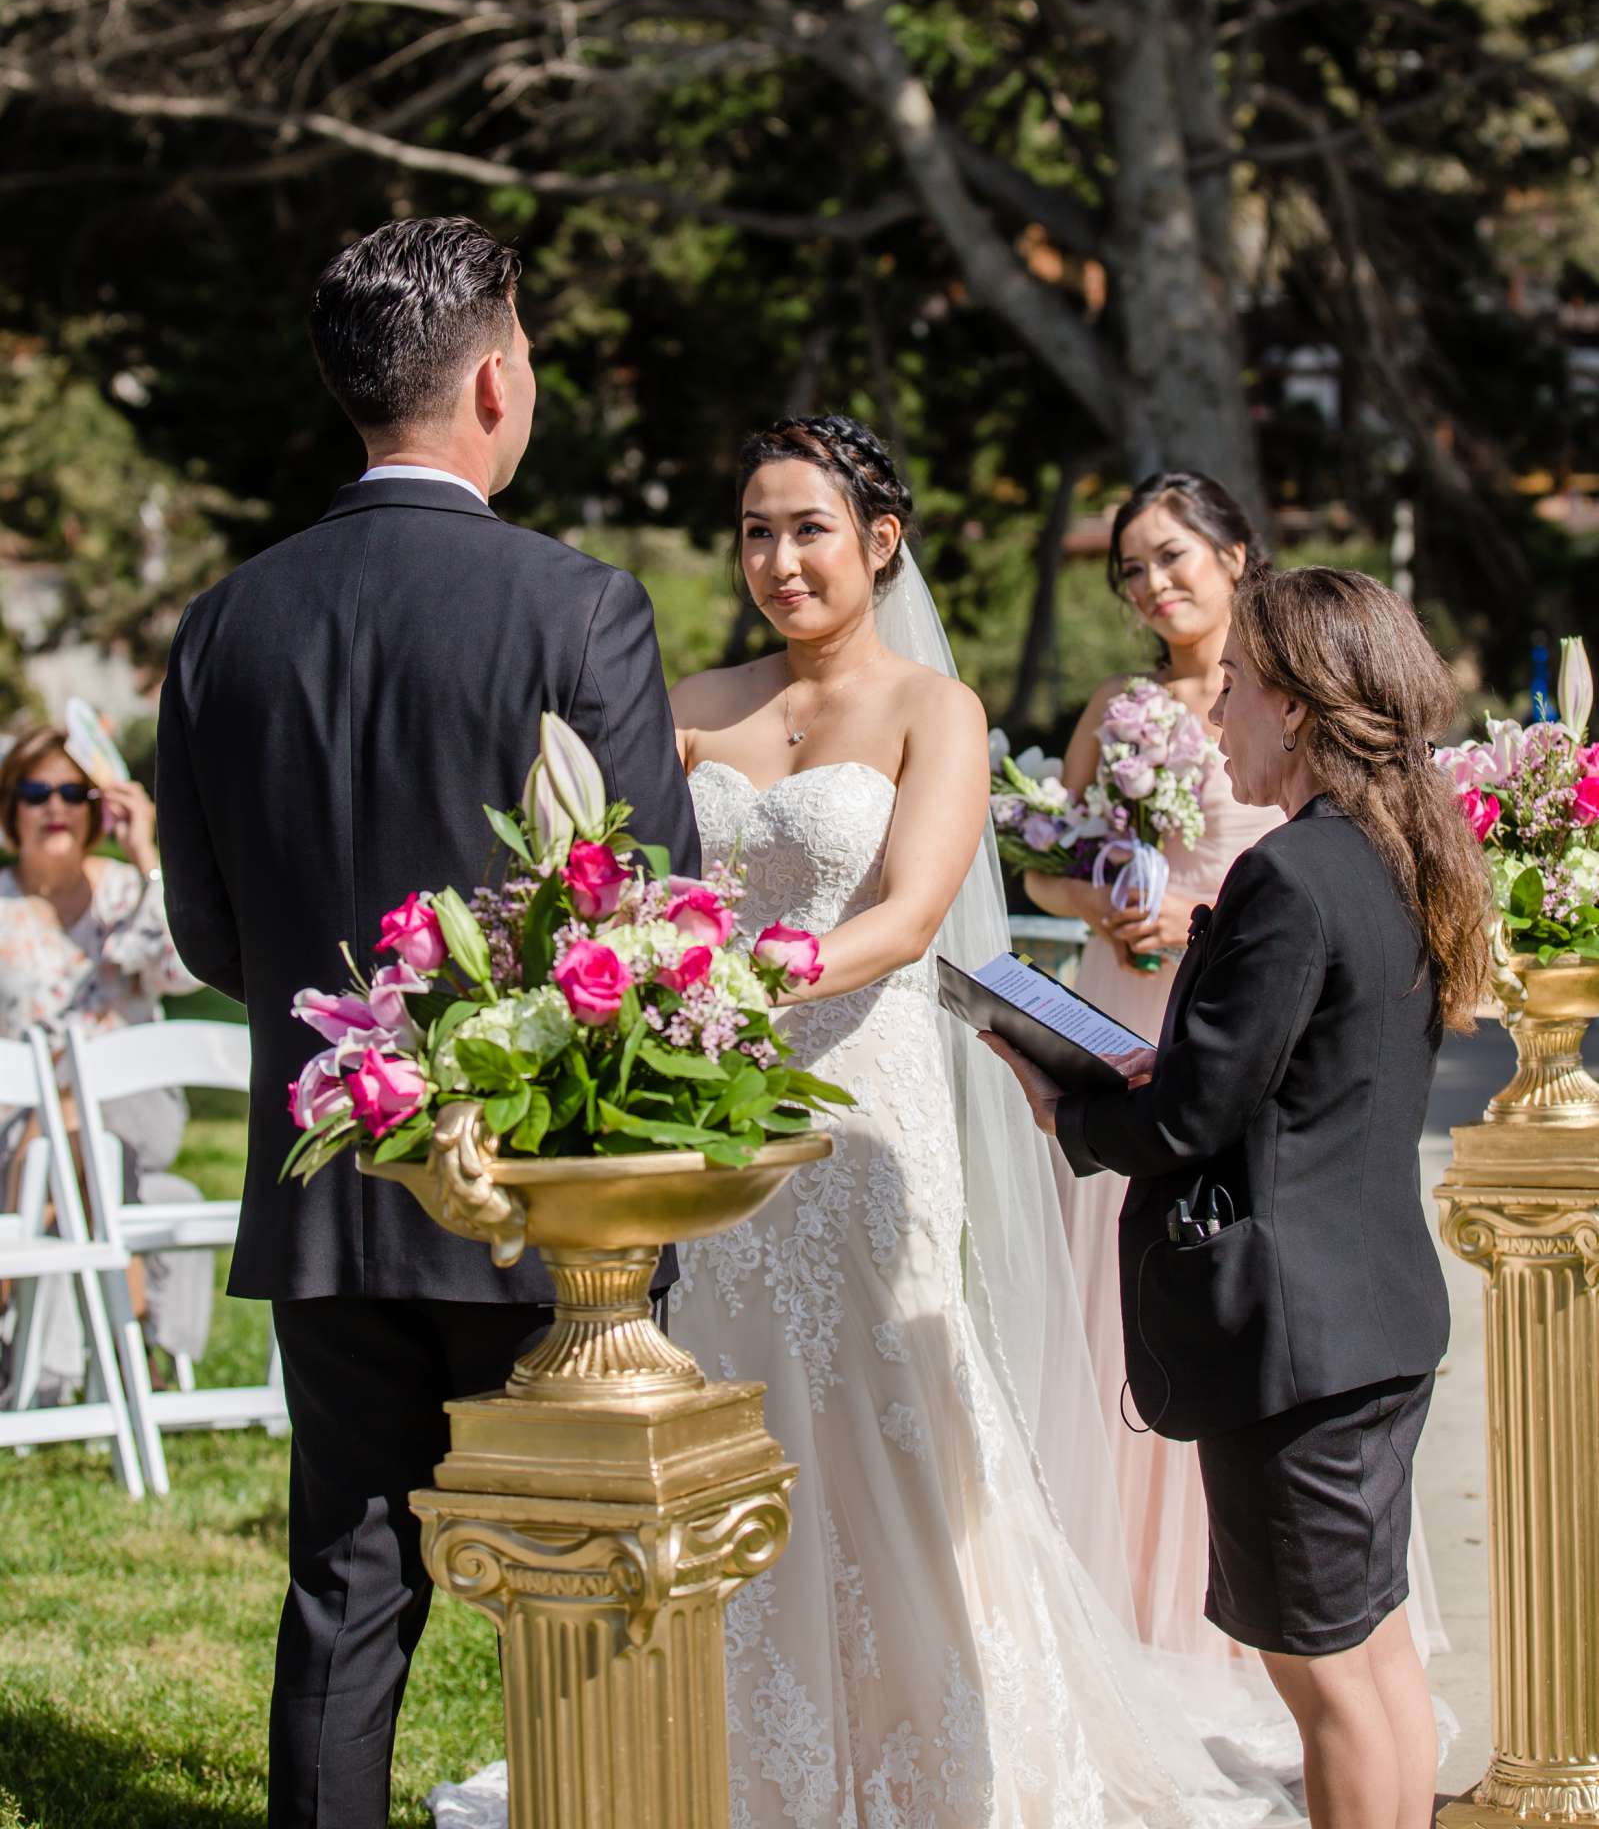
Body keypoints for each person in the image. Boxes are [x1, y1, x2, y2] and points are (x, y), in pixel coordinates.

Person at [429, 414, 1308, 1829]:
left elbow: (903, 916)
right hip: (715, 1118)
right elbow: (606, 870)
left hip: (865, 1109)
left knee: (886, 1411)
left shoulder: (930, 711)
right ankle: (726, 1731)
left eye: (808, 529)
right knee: (731, 1390)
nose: (778, 560)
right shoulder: (690, 700)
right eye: (755, 531)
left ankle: (931, 1732)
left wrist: (724, 977)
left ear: (877, 540)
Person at [154, 217, 699, 1829]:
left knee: (346, 1583)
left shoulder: (224, 625)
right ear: (488, 382)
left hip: (332, 1181)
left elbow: (206, 931)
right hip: (549, 1197)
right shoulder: (576, 608)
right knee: (587, 1579)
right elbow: (649, 915)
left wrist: (370, 1058)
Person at [985, 566, 1490, 1829]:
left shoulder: (1293, 874)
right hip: (1371, 1309)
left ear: (1305, 708)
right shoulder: (1402, 854)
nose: (1218, 724)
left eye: (1243, 693)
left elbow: (1193, 1116)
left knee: (1323, 1676)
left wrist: (1070, 1107)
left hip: (1292, 1335)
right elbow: (1292, 1075)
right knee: (1367, 1655)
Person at [1021, 470, 1280, 1651]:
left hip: (1236, 993)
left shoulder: (1284, 688)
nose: (1153, 583)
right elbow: (1042, 859)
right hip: (1121, 994)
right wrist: (1096, 897)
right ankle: (1122, 1591)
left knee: (1220, 1265)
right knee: (1116, 1283)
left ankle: (1235, 1592)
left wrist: (1201, 917)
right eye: (1132, 566)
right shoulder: (1117, 705)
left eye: (1173, 555)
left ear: (1234, 552)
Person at [0, 723, 212, 1390]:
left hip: (135, 1111)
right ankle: (130, 1354)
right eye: (37, 791)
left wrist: (146, 849)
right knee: (68, 1134)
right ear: (13, 807)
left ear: (98, 806)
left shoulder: (128, 891)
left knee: (75, 1116)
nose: (55, 806)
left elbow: (183, 970)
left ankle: (5, 1300)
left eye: (72, 790)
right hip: (17, 1132)